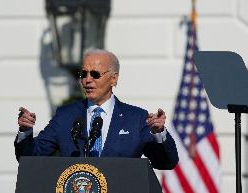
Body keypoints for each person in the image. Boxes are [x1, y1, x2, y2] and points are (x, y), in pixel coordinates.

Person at [15, 49, 178, 170]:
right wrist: (25, 131)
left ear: (113, 78)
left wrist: (159, 133)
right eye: (83, 74)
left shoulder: (136, 118)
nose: (87, 80)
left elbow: (166, 162)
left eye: (95, 74)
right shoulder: (66, 115)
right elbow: (30, 157)